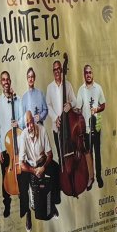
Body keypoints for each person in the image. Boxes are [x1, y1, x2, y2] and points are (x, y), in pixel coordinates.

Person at [0, 71, 21, 220]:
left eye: (7, 79)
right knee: (5, 176)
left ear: (10, 81)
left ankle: (23, 202)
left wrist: (18, 123)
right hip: (5, 146)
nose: (6, 82)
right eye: (3, 79)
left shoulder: (18, 99)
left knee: (21, 174)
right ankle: (7, 204)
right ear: (0, 82)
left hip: (19, 145)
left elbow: (22, 118)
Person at [16, 111, 53, 232]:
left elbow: (50, 154)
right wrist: (33, 170)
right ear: (25, 126)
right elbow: (21, 163)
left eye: (31, 122)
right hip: (30, 165)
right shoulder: (23, 136)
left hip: (42, 162)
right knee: (22, 186)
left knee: (56, 171)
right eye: (27, 124)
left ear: (34, 121)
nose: (30, 126)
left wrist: (43, 168)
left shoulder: (42, 129)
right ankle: (28, 214)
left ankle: (51, 205)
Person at [75, 64, 108, 190]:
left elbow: (103, 105)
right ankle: (91, 177)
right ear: (84, 75)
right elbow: (78, 107)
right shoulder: (81, 90)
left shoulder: (98, 88)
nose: (88, 75)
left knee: (97, 153)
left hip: (96, 126)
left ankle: (99, 176)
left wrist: (97, 109)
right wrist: (75, 110)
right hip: (86, 129)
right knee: (88, 154)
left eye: (90, 72)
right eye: (86, 73)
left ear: (92, 74)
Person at [45, 58, 70, 212]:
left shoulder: (68, 85)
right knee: (61, 156)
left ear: (61, 70)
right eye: (54, 70)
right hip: (57, 127)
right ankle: (62, 185)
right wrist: (56, 118)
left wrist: (69, 106)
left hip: (68, 128)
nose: (57, 72)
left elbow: (73, 102)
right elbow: (48, 106)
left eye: (58, 69)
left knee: (70, 154)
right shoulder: (49, 88)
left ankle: (71, 179)